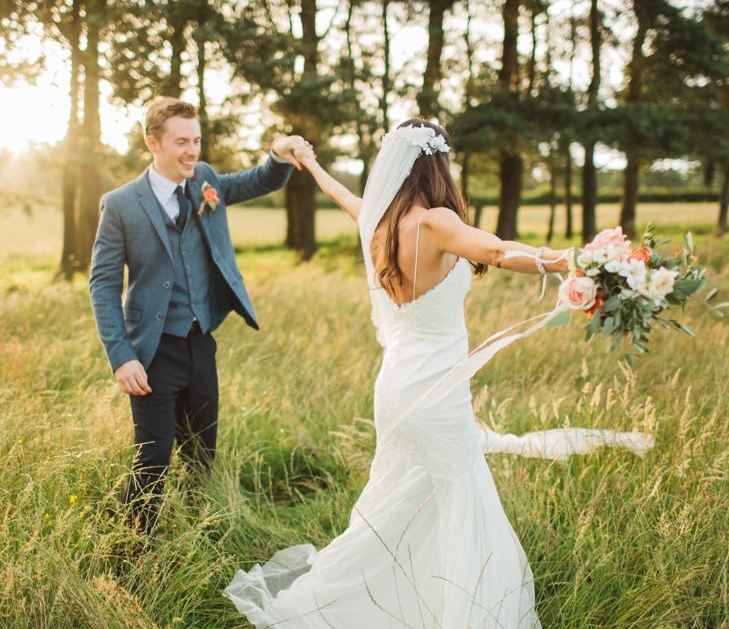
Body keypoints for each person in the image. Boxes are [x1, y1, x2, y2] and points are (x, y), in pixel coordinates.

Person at [223, 119, 654, 627]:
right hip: (436, 393)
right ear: (438, 166)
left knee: (399, 501)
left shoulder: (379, 222)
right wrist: (577, 261)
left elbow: (344, 197)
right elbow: (496, 251)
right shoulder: (434, 221)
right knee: (456, 496)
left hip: (397, 388)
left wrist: (312, 164)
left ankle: (393, 598)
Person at [89, 96, 313, 534]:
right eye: (181, 143)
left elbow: (256, 181)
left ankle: (197, 538)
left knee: (201, 453)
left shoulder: (205, 180)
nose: (192, 151)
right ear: (153, 142)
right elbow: (102, 284)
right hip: (151, 351)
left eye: (196, 141)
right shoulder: (119, 204)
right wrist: (121, 356)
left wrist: (278, 154)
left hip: (200, 343)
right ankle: (137, 552)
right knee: (152, 457)